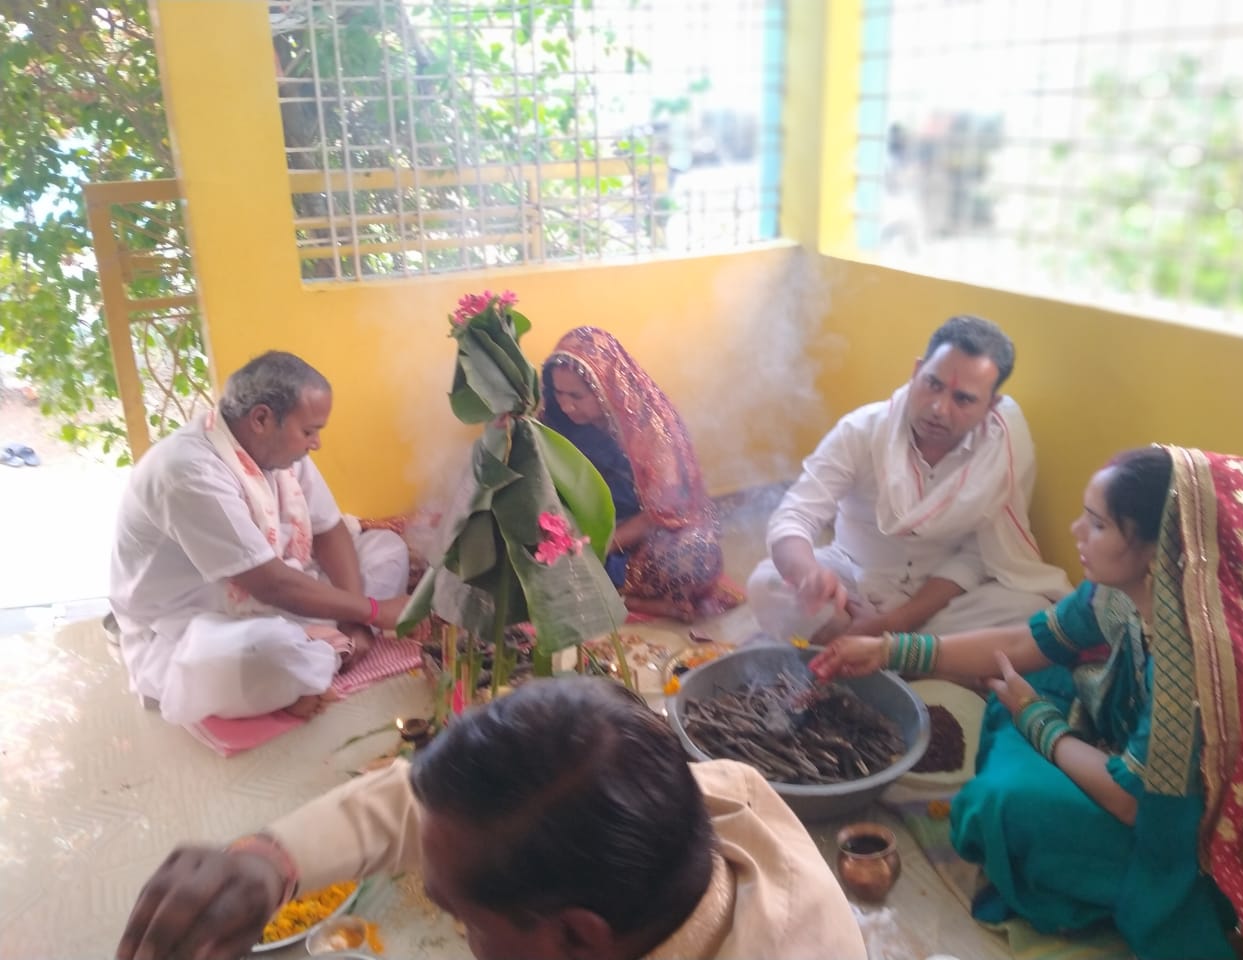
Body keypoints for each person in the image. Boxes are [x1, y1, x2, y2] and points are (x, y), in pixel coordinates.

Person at [810, 446, 1243, 960]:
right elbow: (1027, 643)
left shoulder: (1185, 662)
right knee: (1039, 672)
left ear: (1157, 548)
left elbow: (1132, 802)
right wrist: (889, 649)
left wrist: (1039, 723)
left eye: (1097, 524)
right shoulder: (1119, 594)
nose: (1077, 531)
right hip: (1124, 749)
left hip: (1173, 829)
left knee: (1000, 804)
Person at [114, 677, 867, 960]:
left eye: (466, 922)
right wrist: (270, 861)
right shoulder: (705, 795)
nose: (461, 938)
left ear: (576, 937)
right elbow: (428, 807)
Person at [109, 351, 411, 725]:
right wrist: (374, 611)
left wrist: (356, 619)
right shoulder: (187, 471)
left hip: (286, 590)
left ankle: (326, 652)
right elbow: (270, 584)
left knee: (387, 549)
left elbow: (328, 529)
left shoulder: (278, 450)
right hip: (198, 624)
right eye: (309, 431)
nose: (316, 443)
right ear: (262, 419)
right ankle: (311, 661)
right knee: (269, 652)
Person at [748, 314, 1070, 645]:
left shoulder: (1002, 451)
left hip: (936, 602)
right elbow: (795, 515)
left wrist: (897, 620)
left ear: (991, 404)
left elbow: (978, 556)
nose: (939, 408)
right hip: (852, 580)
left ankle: (877, 650)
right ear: (917, 371)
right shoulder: (861, 430)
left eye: (963, 399)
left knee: (1032, 610)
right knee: (766, 583)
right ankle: (915, 656)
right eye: (933, 384)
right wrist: (808, 575)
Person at [541, 326, 737, 621]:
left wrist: (602, 546)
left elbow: (663, 513)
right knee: (526, 550)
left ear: (605, 388)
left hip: (641, 541)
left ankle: (618, 595)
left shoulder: (652, 428)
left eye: (576, 396)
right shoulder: (556, 421)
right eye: (558, 393)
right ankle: (639, 601)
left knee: (697, 553)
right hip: (583, 536)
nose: (566, 405)